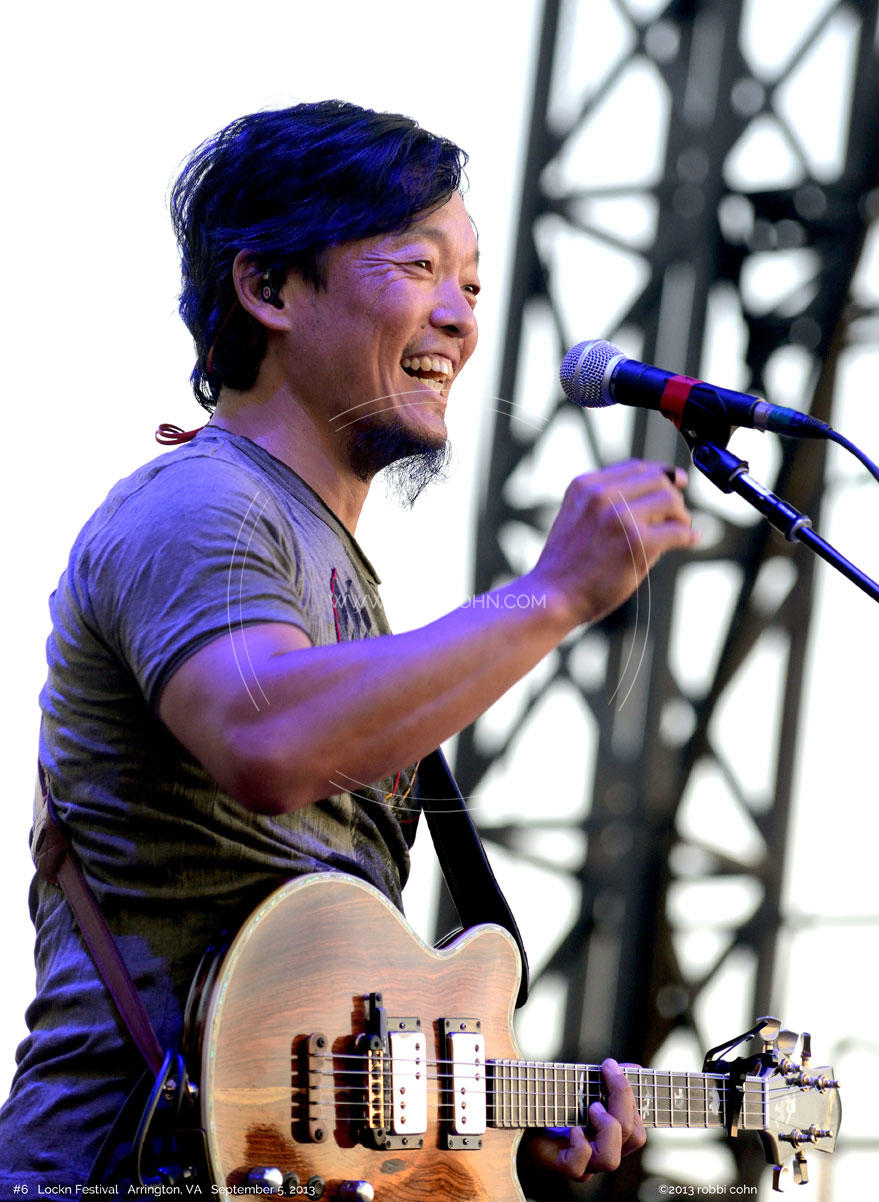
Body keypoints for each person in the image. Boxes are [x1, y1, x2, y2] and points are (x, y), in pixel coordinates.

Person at [0, 100, 697, 1194]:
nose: (460, 317)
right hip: (120, 1169)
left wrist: (483, 1127)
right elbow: (267, 739)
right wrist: (553, 592)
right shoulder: (201, 505)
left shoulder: (335, 575)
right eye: (418, 265)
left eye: (473, 284)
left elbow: (332, 1046)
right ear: (269, 287)